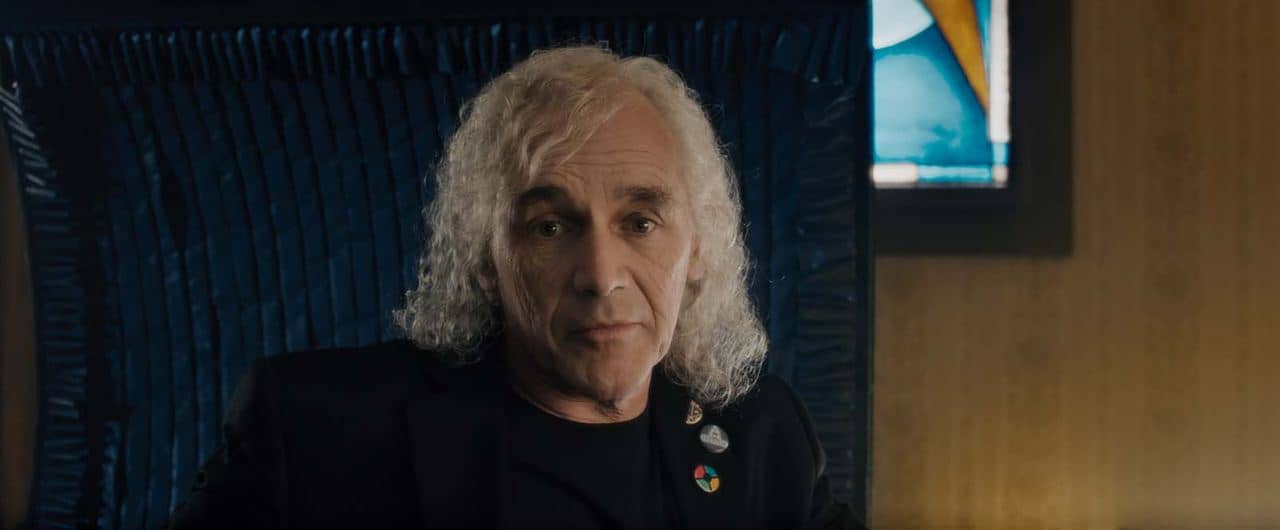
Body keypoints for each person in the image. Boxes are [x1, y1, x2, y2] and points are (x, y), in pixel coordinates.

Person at [168, 44, 867, 530]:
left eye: (641, 222)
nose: (602, 277)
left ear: (698, 249)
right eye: (550, 227)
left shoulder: (765, 437)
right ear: (485, 256)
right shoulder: (310, 433)